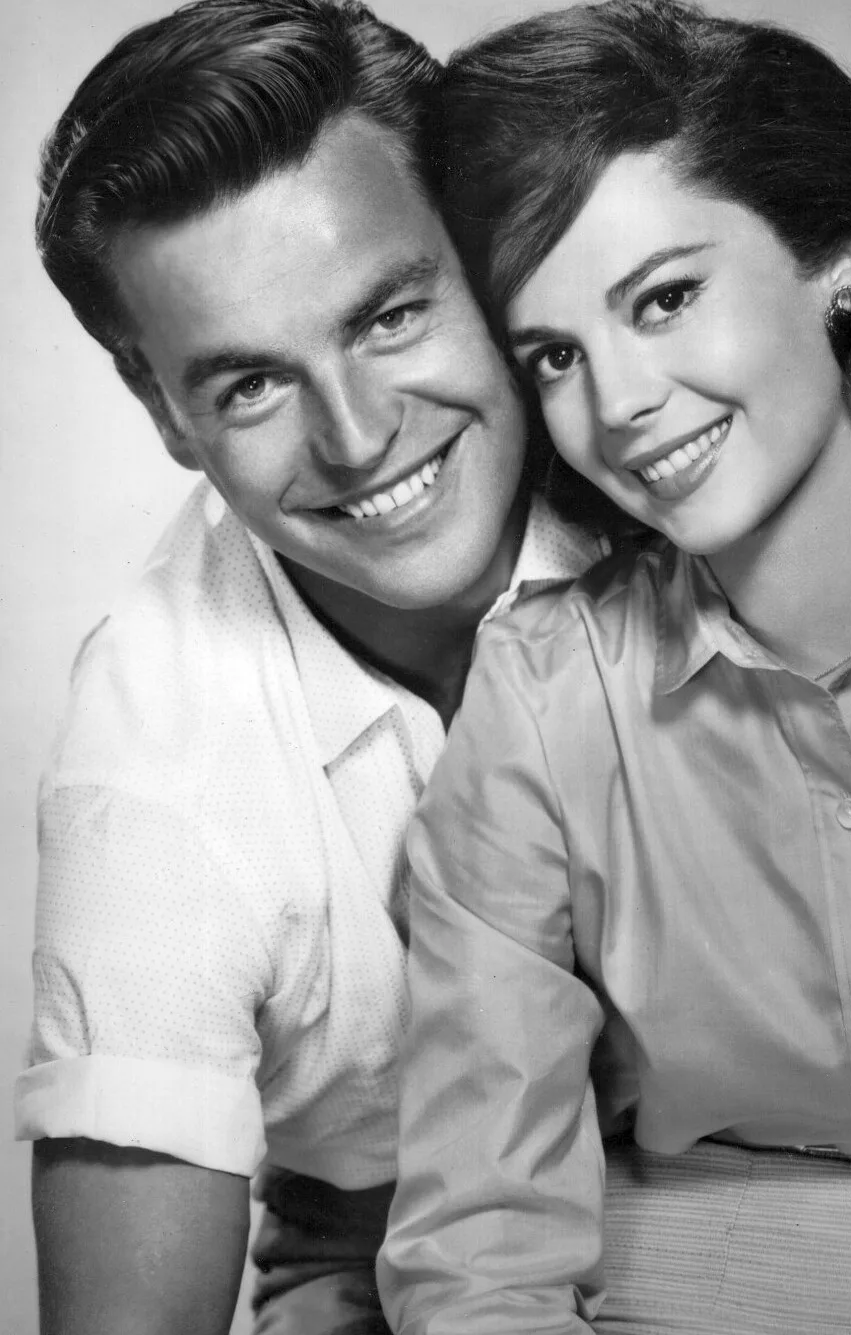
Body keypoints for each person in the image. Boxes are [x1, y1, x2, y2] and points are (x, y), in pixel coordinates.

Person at [378, 2, 851, 1331]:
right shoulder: (542, 698)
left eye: (665, 299)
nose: (618, 403)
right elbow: (479, 1249)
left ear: (842, 258)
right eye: (554, 356)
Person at [13, 3, 608, 1332]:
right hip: (387, 1243)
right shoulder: (154, 768)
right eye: (250, 386)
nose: (357, 436)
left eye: (390, 315)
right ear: (163, 410)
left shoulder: (676, 456)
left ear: (487, 257)